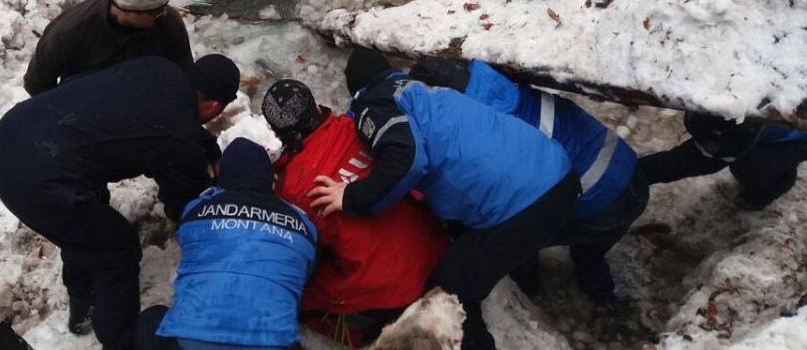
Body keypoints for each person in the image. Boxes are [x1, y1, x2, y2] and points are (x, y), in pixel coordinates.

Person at [308, 48, 578, 350]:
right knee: (483, 245)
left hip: (523, 202)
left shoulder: (375, 102)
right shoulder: (422, 91)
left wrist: (351, 197)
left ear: (357, 88)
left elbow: (407, 159)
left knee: (448, 295)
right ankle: (531, 286)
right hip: (555, 171)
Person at [0, 54, 241, 350]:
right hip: (36, 176)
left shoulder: (159, 68)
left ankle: (84, 310)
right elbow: (182, 204)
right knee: (115, 248)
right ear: (214, 106)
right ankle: (120, 339)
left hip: (15, 132)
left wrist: (206, 149)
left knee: (85, 227)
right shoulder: (179, 138)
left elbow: (175, 122)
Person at [408, 58, 648, 308]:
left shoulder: (481, 130)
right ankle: (603, 296)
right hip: (627, 169)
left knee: (521, 230)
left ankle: (529, 289)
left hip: (599, 197)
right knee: (591, 249)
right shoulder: (499, 85)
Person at [262, 80, 450, 347]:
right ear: (314, 106)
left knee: (300, 294)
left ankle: (367, 333)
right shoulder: (353, 125)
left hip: (394, 284)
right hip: (436, 249)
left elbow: (307, 254)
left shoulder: (294, 185)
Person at [135, 138, 317, 350]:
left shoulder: (195, 210)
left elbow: (188, 245)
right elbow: (305, 274)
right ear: (271, 182)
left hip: (189, 342)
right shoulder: (304, 225)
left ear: (223, 180)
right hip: (273, 344)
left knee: (150, 320)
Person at [24, 0, 192, 95]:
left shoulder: (169, 22)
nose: (164, 14)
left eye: (164, 7)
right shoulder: (69, 33)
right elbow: (37, 84)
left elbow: (184, 74)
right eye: (155, 11)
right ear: (127, 10)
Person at [641, 111, 807, 211]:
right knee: (699, 156)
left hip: (789, 141)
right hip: (739, 131)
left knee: (749, 168)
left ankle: (772, 185)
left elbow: (694, 158)